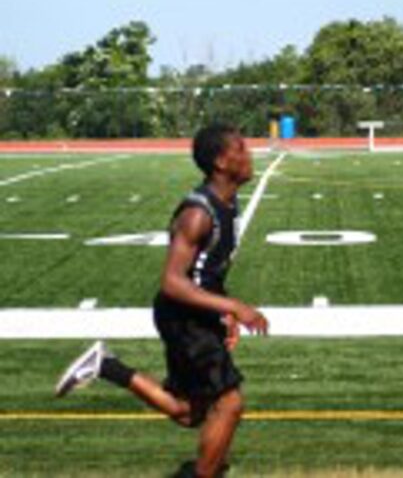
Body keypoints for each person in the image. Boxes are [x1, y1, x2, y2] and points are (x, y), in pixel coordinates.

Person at [55, 123, 269, 478]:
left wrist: (224, 312)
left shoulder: (228, 204)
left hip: (196, 315)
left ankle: (107, 366)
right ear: (220, 161)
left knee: (190, 412)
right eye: (241, 149)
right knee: (229, 404)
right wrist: (235, 308)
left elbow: (206, 272)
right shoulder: (198, 214)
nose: (249, 155)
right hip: (184, 318)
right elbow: (172, 281)